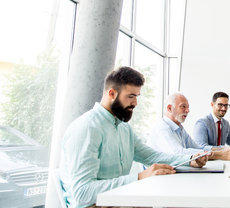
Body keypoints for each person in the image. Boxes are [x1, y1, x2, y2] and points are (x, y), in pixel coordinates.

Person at [59, 67, 208, 208]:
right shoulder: (87, 128)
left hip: (117, 200)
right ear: (111, 94)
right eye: (130, 96)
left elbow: (151, 156)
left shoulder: (124, 128)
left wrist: (190, 160)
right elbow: (82, 194)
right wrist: (140, 177)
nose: (135, 103)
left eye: (136, 96)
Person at [148, 92, 230, 160]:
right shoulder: (162, 128)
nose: (187, 110)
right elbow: (178, 153)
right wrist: (219, 154)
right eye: (183, 107)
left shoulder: (179, 128)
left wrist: (225, 149)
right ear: (169, 108)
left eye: (188, 107)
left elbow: (198, 148)